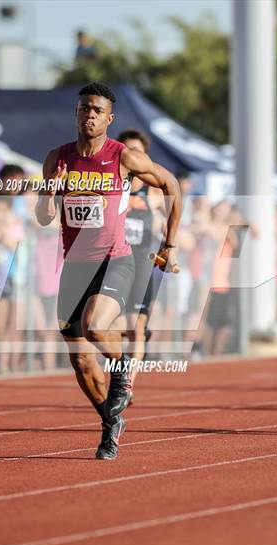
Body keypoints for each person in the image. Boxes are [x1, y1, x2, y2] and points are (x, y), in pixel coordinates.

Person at [35, 82, 181, 460]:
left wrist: (170, 243)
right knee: (82, 361)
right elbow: (43, 217)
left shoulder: (124, 157)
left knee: (98, 326)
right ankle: (110, 425)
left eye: (97, 110)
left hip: (116, 259)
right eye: (85, 108)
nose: (90, 115)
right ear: (77, 113)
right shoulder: (57, 158)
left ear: (109, 118)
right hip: (75, 265)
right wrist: (51, 189)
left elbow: (171, 185)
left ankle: (123, 375)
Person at [116, 129, 165, 392]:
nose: (132, 155)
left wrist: (171, 250)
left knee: (137, 325)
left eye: (138, 150)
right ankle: (118, 371)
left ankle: (128, 384)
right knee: (113, 326)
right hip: (114, 263)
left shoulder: (153, 191)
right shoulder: (112, 186)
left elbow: (169, 225)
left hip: (142, 265)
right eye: (128, 150)